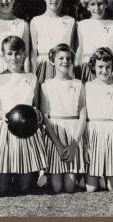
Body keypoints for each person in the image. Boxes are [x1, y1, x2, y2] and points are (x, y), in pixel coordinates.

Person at [0, 36, 47, 196]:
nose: (14, 58)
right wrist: (1, 114)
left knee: (24, 189)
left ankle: (29, 171)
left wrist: (36, 112)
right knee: (1, 189)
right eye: (10, 53)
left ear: (24, 55)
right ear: (3, 55)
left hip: (27, 132)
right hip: (5, 132)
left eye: (18, 54)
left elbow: (36, 106)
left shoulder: (32, 78)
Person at [40, 43, 87, 193]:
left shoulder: (78, 84)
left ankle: (80, 176)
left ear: (73, 61)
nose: (65, 61)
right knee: (56, 187)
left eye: (68, 58)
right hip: (55, 134)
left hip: (73, 133)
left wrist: (74, 144)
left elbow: (83, 114)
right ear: (52, 60)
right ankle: (46, 174)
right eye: (61, 58)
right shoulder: (46, 85)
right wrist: (59, 145)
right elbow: (45, 117)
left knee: (69, 187)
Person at [85, 47, 113, 192]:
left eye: (108, 67)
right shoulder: (87, 86)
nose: (104, 70)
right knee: (91, 188)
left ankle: (110, 174)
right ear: (93, 67)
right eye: (100, 67)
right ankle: (93, 175)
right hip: (94, 130)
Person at [30, 0, 76, 84]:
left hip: (63, 66)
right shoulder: (35, 21)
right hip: (43, 66)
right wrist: (32, 74)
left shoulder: (70, 21)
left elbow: (71, 49)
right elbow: (33, 52)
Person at [75, 0, 113, 82]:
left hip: (107, 69)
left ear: (106, 4)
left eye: (100, 4)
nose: (97, 8)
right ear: (87, 6)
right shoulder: (82, 24)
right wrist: (77, 69)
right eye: (92, 4)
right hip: (87, 68)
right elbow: (80, 49)